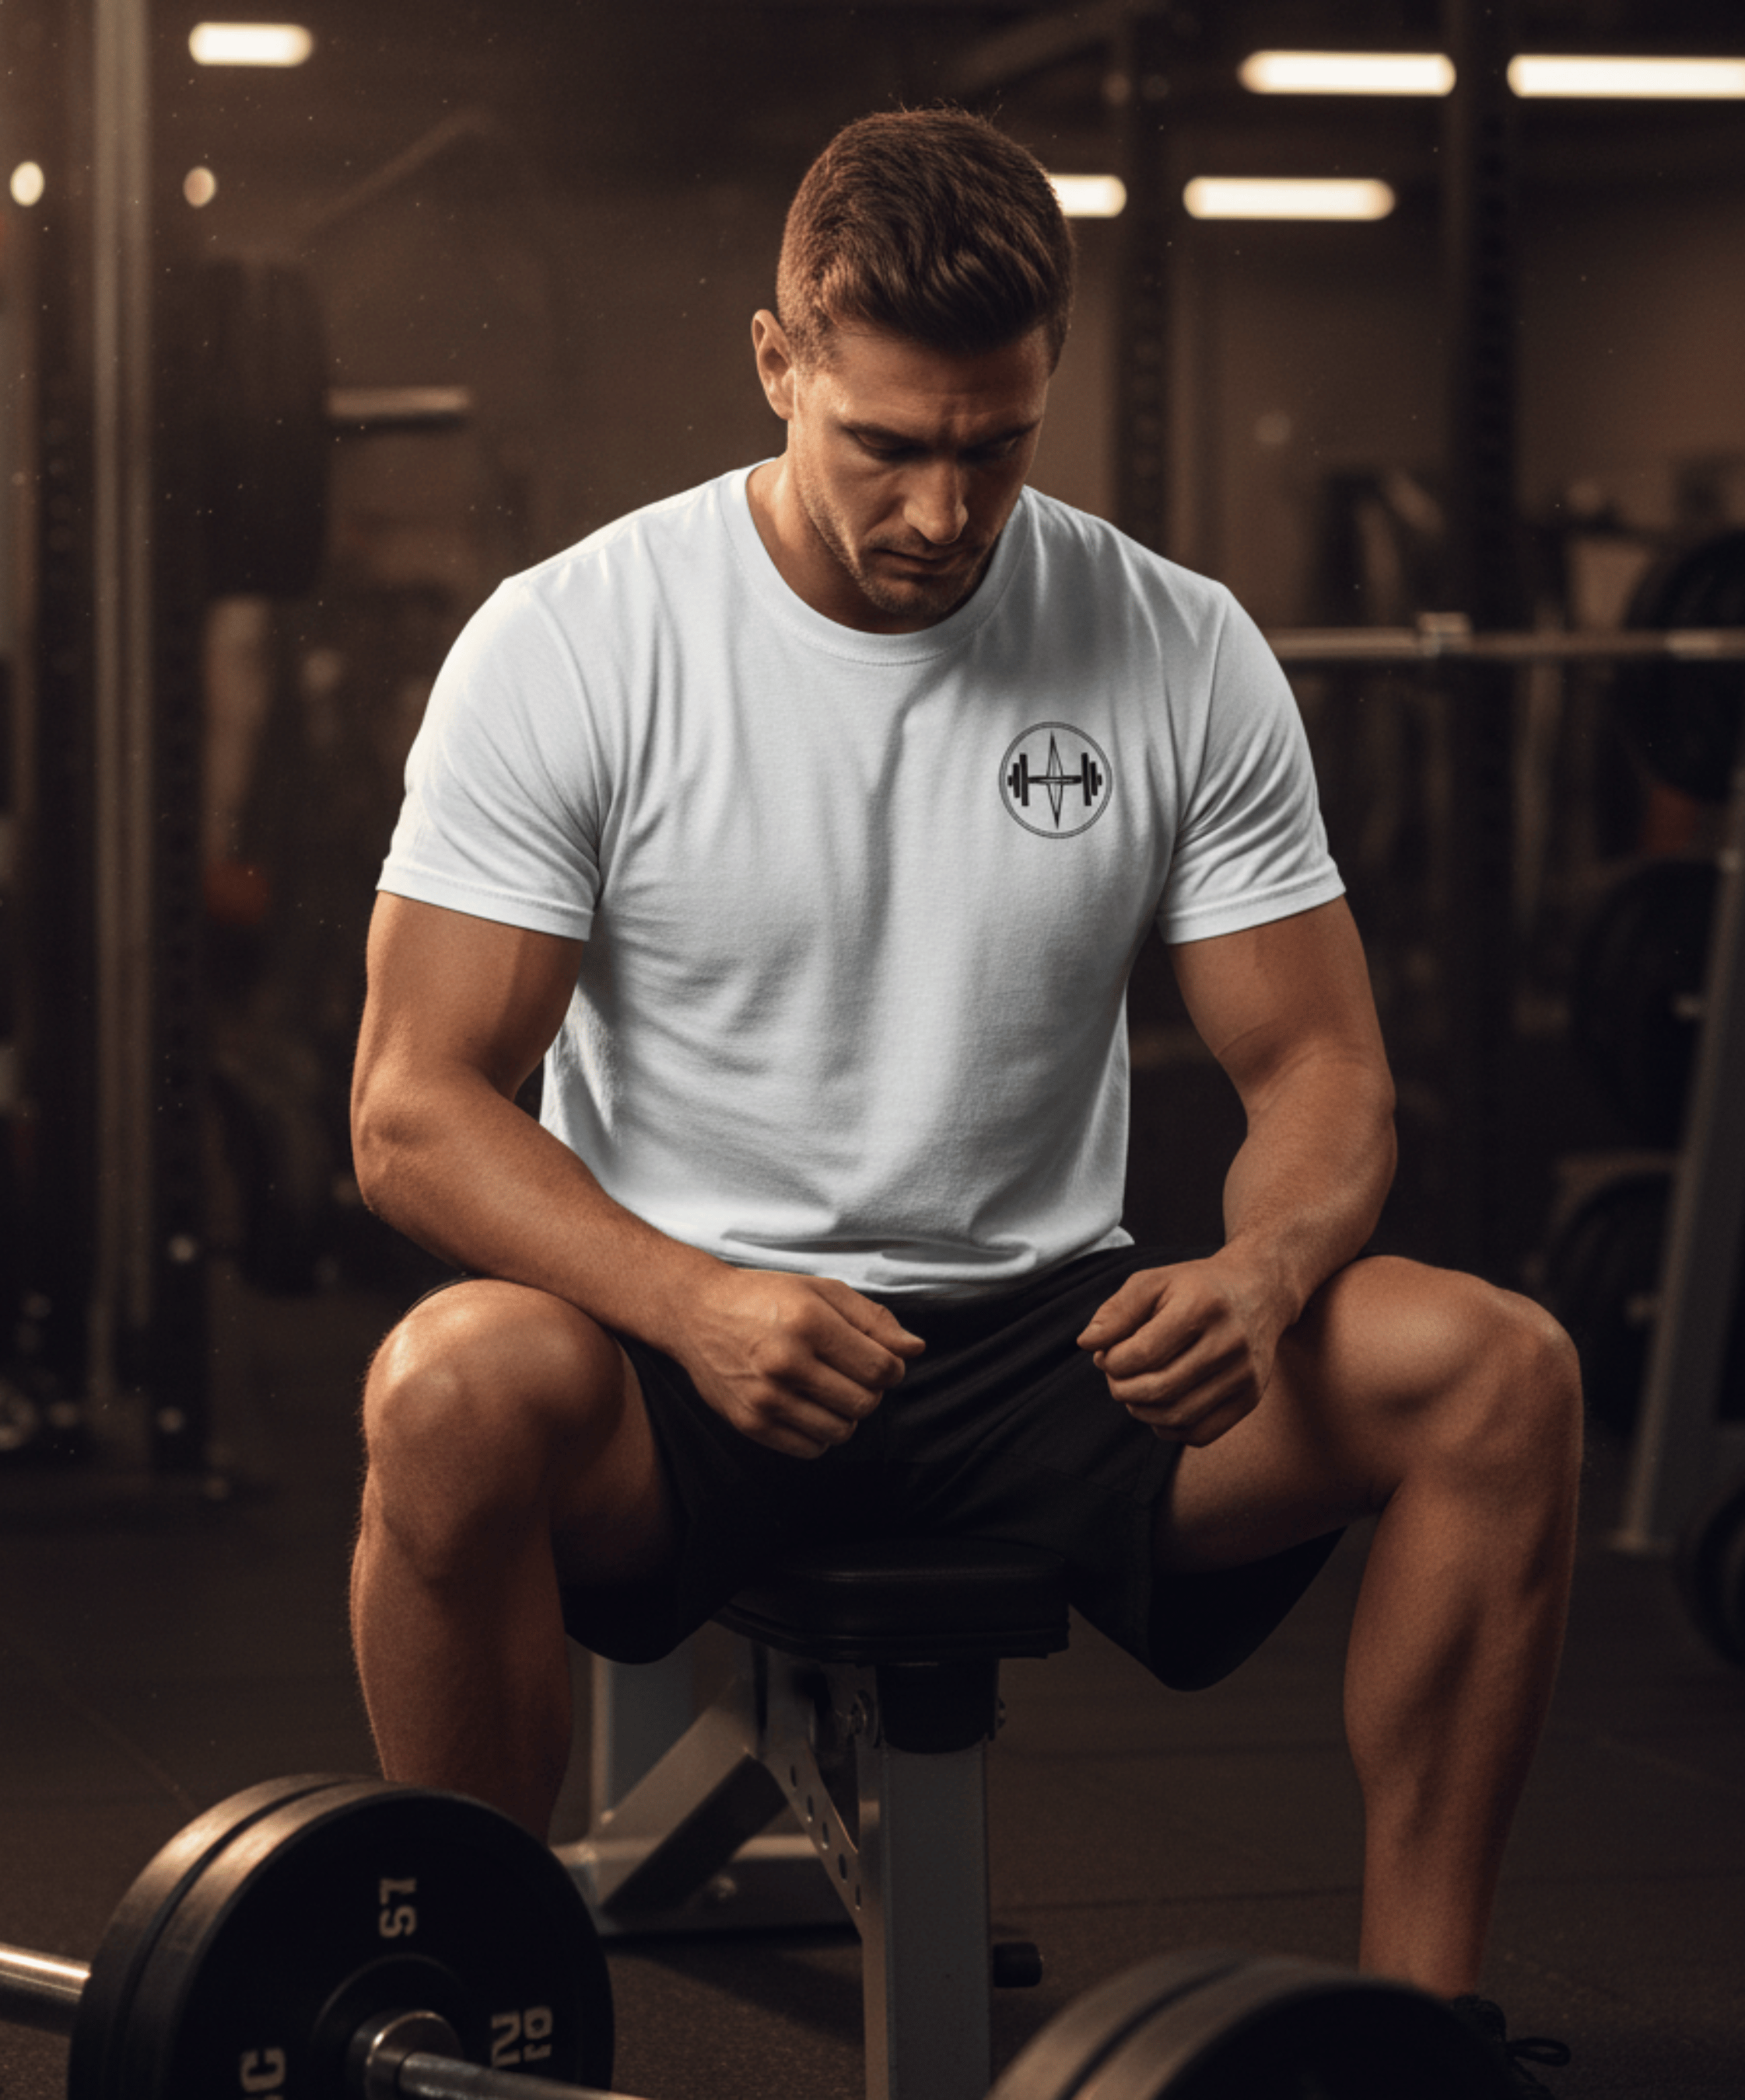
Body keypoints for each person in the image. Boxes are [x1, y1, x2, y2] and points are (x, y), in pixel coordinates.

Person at [349, 107, 1580, 2091]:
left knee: (1496, 1374)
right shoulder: (577, 645)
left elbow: (1324, 1068)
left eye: (994, 447)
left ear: (1048, 388)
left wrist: (1266, 1266)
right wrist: (685, 1299)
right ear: (779, 365)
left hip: (1042, 1343)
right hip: (683, 1339)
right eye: (887, 446)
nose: (943, 509)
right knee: (443, 1389)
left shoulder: (1171, 642)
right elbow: (411, 1110)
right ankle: (488, 2012)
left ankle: (1418, 2039)